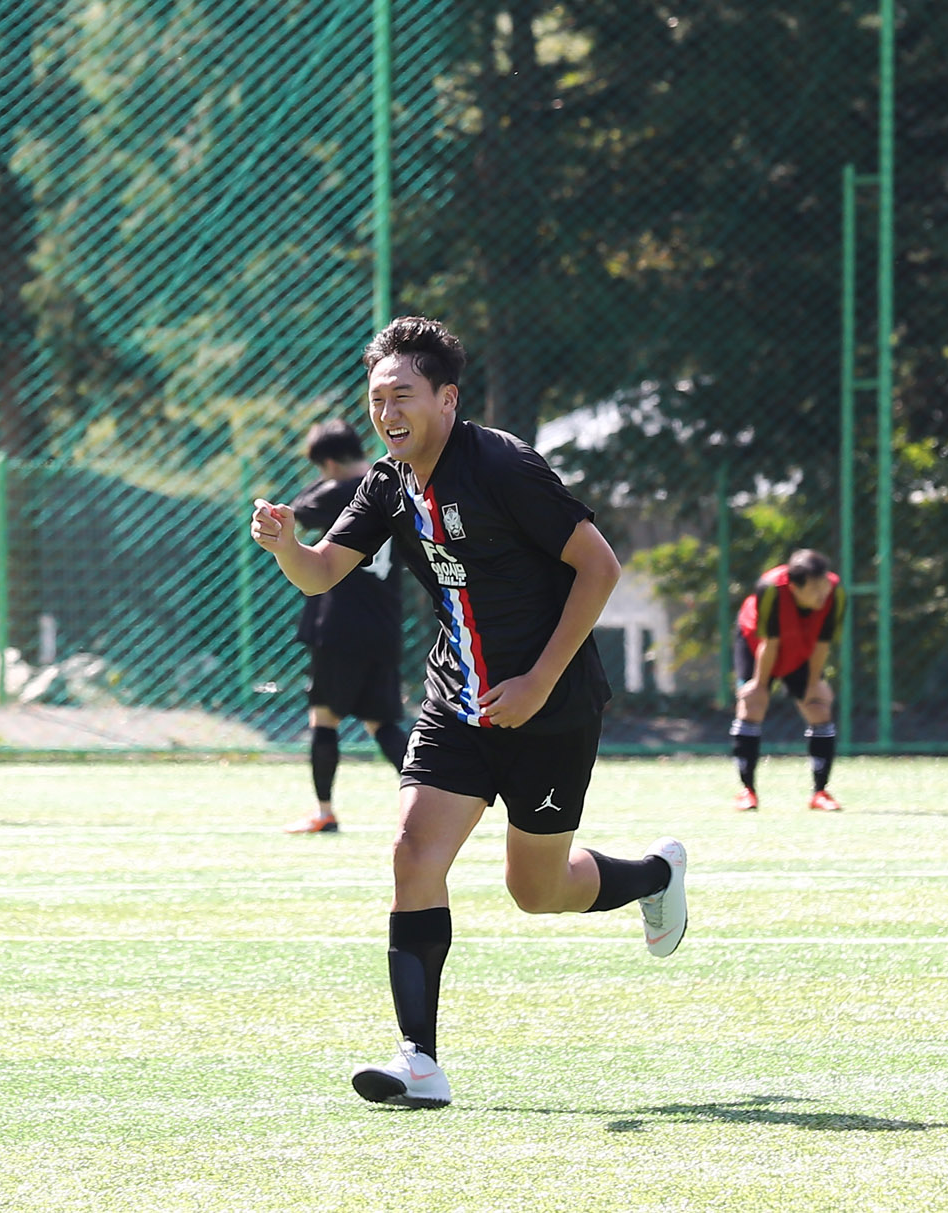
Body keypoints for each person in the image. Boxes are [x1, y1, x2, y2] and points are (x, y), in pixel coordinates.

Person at [249, 315, 686, 1109]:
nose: (388, 411)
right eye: (378, 396)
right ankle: (420, 1058)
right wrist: (284, 544)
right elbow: (319, 575)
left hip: (549, 708)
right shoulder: (385, 482)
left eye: (403, 394)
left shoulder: (503, 465)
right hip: (456, 702)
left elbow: (600, 567)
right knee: (414, 851)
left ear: (446, 400)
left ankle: (655, 875)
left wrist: (539, 682)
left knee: (537, 889)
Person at [281, 419, 407, 834]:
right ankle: (438, 803)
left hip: (339, 625)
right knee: (383, 723)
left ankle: (324, 812)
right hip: (385, 624)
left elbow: (296, 510)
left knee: (325, 718)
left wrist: (335, 480)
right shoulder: (390, 484)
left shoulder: (340, 491)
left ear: (330, 463)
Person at [728, 549, 847, 812]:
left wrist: (813, 683)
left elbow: (822, 642)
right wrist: (759, 685)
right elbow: (770, 643)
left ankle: (820, 792)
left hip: (802, 645)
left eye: (824, 585)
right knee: (751, 707)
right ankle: (747, 791)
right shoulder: (770, 589)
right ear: (794, 587)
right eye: (815, 589)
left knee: (819, 707)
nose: (823, 593)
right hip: (756, 643)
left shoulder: (835, 593)